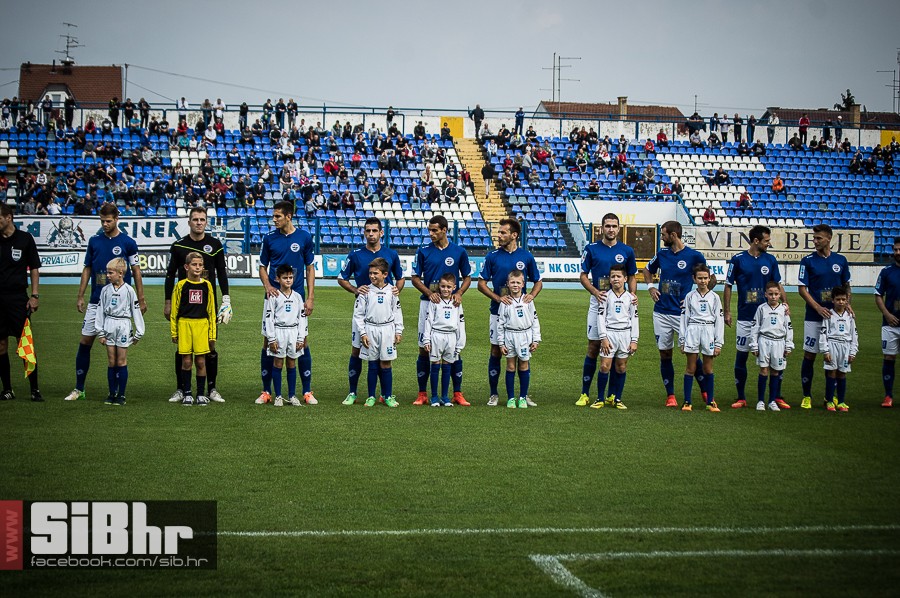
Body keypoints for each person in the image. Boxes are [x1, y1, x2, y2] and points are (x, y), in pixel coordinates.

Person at [64, 204, 145, 402]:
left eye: (108, 221)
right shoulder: (94, 241)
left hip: (120, 307)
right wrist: (81, 295)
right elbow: (87, 268)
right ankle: (79, 388)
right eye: (102, 221)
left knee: (117, 353)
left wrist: (141, 299)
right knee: (85, 342)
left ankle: (116, 393)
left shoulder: (128, 242)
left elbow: (136, 270)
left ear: (117, 219)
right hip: (96, 302)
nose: (105, 224)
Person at [164, 207, 231, 404]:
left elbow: (222, 272)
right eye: (195, 219)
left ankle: (211, 389)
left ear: (206, 222)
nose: (199, 222)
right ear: (189, 222)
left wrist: (226, 299)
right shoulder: (179, 245)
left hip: (207, 306)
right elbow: (170, 274)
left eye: (202, 219)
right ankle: (181, 389)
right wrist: (168, 301)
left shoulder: (215, 244)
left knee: (210, 346)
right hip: (184, 308)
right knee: (182, 350)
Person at [643, 220, 712, 407]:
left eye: (664, 234)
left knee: (691, 353)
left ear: (673, 235)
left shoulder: (694, 256)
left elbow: (710, 279)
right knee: (665, 354)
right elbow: (647, 270)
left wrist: (696, 298)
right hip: (661, 312)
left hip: (683, 314)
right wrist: (650, 287)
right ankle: (671, 395)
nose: (662, 238)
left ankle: (705, 390)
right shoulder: (662, 254)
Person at [337, 218, 405, 405]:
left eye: (374, 230)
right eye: (368, 231)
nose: (371, 234)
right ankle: (352, 392)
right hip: (364, 310)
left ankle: (384, 394)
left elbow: (400, 278)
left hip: (384, 311)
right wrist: (355, 289)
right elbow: (341, 278)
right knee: (356, 350)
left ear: (381, 233)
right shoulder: (356, 255)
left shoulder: (391, 254)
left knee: (383, 356)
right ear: (364, 233)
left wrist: (397, 290)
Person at [256, 201, 316, 405]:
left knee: (302, 341)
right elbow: (262, 267)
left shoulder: (304, 237)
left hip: (297, 298)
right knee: (268, 342)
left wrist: (310, 297)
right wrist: (268, 286)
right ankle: (267, 391)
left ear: (289, 216)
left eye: (277, 216)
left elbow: (310, 268)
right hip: (274, 299)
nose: (274, 220)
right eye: (273, 216)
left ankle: (306, 391)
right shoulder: (269, 238)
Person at [723, 225, 789, 409]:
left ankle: (776, 396)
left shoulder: (770, 260)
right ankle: (741, 397)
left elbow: (778, 285)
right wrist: (727, 311)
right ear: (756, 240)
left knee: (776, 356)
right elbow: (728, 285)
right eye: (766, 241)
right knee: (742, 355)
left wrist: (785, 303)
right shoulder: (738, 259)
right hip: (746, 316)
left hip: (769, 318)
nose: (769, 244)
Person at [478, 218, 542, 406]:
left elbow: (538, 281)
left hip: (521, 313)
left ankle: (523, 395)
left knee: (524, 353)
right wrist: (498, 298)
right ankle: (494, 394)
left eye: (503, 232)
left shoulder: (526, 256)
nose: (499, 235)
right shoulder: (492, 256)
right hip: (498, 312)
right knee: (496, 350)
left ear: (514, 235)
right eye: (499, 232)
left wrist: (531, 296)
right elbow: (481, 284)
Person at [576, 213, 637, 407]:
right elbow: (583, 275)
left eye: (614, 226)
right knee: (594, 346)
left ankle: (612, 395)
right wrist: (595, 292)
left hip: (620, 303)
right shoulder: (591, 249)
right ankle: (585, 393)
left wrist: (632, 295)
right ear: (601, 228)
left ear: (619, 228)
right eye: (608, 226)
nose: (611, 229)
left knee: (617, 351)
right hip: (599, 301)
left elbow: (632, 275)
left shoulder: (626, 250)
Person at [411, 216, 472, 405]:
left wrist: (459, 292)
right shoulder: (423, 251)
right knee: (424, 348)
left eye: (435, 230)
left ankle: (457, 393)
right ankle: (423, 393)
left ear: (444, 230)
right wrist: (429, 293)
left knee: (454, 349)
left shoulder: (459, 251)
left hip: (452, 304)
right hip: (428, 303)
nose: (431, 234)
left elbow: (468, 277)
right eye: (429, 230)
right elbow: (415, 278)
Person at [797, 224, 851, 409]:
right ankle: (806, 396)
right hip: (814, 316)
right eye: (814, 238)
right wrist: (818, 307)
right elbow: (802, 289)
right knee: (810, 354)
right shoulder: (807, 261)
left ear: (829, 238)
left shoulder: (841, 260)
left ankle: (831, 396)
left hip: (835, 318)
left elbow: (846, 286)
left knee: (833, 357)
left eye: (818, 238)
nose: (815, 241)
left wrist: (847, 304)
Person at [0, 203, 41, 402]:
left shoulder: (25, 239)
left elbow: (34, 268)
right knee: (0, 345)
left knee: (24, 343)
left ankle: (35, 389)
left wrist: (34, 295)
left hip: (18, 299)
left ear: (9, 218)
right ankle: (7, 389)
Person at [353, 258, 403, 408]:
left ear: (385, 274)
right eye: (370, 273)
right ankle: (371, 397)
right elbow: (358, 315)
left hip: (387, 329)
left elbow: (397, 312)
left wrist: (398, 331)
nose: (372, 276)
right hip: (371, 329)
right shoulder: (365, 291)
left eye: (375, 273)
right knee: (372, 363)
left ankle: (387, 396)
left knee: (386, 363)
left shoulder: (392, 291)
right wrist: (363, 333)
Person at [588, 264, 639, 410]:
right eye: (613, 276)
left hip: (625, 334)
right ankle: (600, 398)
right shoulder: (605, 296)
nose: (616, 279)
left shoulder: (631, 298)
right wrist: (603, 338)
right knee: (604, 366)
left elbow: (635, 319)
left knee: (621, 367)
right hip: (609, 334)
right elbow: (600, 318)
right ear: (609, 279)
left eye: (619, 276)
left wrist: (634, 340)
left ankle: (617, 399)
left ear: (625, 279)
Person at [95, 257, 145, 405]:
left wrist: (139, 332)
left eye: (110, 273)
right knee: (112, 361)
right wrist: (100, 332)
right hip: (109, 324)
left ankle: (121, 395)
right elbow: (100, 311)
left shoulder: (129, 290)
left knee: (121, 360)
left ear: (121, 273)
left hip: (123, 325)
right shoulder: (105, 290)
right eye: (107, 273)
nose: (107, 275)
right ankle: (112, 393)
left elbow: (136, 311)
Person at [171, 252, 217, 406]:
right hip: (184, 325)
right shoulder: (180, 285)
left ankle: (201, 394)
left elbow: (211, 311)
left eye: (200, 265)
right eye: (194, 264)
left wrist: (212, 334)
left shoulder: (207, 285)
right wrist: (174, 332)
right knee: (186, 361)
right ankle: (187, 393)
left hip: (202, 326)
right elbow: (174, 311)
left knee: (201, 361)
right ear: (186, 267)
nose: (197, 267)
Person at [679, 264, 724, 412]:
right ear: (694, 279)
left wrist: (718, 343)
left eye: (705, 278)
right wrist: (682, 340)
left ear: (709, 278)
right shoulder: (690, 296)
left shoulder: (715, 298)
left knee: (708, 368)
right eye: (700, 278)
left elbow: (719, 321)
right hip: (693, 330)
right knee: (690, 368)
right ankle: (687, 402)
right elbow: (684, 318)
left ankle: (710, 402)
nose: (703, 281)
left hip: (708, 330)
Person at [264, 264, 309, 407]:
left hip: (293, 332)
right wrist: (271, 338)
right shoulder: (274, 296)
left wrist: (301, 337)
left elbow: (302, 318)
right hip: (279, 332)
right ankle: (278, 396)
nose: (288, 280)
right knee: (278, 362)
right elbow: (269, 318)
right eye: (285, 278)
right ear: (277, 279)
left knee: (291, 363)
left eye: (290, 277)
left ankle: (292, 395)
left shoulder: (297, 297)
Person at [496, 269, 540, 409]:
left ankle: (522, 397)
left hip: (525, 336)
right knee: (510, 366)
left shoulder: (528, 300)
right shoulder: (505, 302)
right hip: (510, 336)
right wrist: (501, 343)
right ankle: (510, 398)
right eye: (512, 282)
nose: (515, 285)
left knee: (523, 365)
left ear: (523, 284)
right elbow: (500, 324)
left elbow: (535, 321)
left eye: (518, 283)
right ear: (508, 284)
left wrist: (536, 340)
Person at [422, 273, 467, 407]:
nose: (445, 289)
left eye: (448, 287)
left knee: (447, 365)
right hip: (437, 335)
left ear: (454, 287)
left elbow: (461, 323)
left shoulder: (456, 303)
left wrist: (460, 343)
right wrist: (426, 340)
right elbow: (428, 321)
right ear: (439, 286)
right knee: (435, 365)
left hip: (451, 336)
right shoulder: (434, 302)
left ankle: (445, 397)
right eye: (443, 286)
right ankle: (434, 397)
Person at [749, 281, 794, 412]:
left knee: (775, 371)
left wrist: (788, 345)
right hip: (764, 341)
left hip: (779, 342)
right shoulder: (761, 308)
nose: (773, 297)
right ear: (765, 294)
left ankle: (772, 401)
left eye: (776, 294)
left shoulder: (784, 310)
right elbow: (755, 327)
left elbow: (789, 328)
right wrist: (754, 345)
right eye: (770, 294)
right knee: (763, 370)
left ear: (780, 294)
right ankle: (760, 401)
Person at [819, 286, 858, 412]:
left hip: (846, 346)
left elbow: (854, 335)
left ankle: (841, 402)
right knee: (832, 372)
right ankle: (829, 401)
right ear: (833, 300)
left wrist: (853, 352)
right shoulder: (828, 315)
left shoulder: (850, 316)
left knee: (842, 373)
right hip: (832, 345)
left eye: (843, 299)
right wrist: (825, 351)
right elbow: (823, 334)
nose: (841, 302)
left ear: (847, 300)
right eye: (838, 299)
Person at [875, 237, 900, 408]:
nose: (897, 252)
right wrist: (887, 314)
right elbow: (878, 295)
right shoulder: (886, 271)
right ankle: (888, 395)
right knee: (889, 357)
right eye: (895, 249)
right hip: (890, 323)